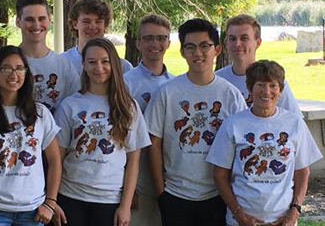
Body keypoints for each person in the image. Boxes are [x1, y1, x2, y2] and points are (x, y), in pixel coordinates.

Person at [144, 18, 247, 226]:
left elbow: (241, 145)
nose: (197, 53)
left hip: (218, 195)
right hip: (175, 195)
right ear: (182, 51)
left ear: (217, 49)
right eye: (190, 47)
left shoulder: (231, 95)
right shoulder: (166, 93)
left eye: (204, 46)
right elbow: (153, 143)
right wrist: (161, 193)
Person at [207, 60, 323, 226]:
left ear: (281, 90)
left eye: (273, 85)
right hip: (241, 221)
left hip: (283, 220)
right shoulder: (233, 124)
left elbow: (302, 172)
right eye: (260, 84)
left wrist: (294, 212)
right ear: (250, 89)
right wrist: (238, 213)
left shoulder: (294, 123)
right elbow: (219, 175)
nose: (266, 91)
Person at [54, 38, 150, 226]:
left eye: (105, 61)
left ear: (114, 63)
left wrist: (125, 205)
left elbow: (133, 162)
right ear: (83, 64)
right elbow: (57, 158)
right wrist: (52, 200)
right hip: (70, 197)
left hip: (109, 200)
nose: (99, 67)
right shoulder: (70, 105)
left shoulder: (128, 107)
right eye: (92, 62)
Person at [0, 45, 62, 226]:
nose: (13, 74)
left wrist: (50, 202)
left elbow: (55, 161)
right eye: (6, 68)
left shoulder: (40, 114)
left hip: (33, 210)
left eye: (19, 68)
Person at [123, 14, 175, 226]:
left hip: (169, 181)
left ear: (169, 43)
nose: (156, 44)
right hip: (138, 182)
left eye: (161, 38)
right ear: (139, 43)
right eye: (149, 38)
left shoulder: (175, 84)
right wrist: (128, 188)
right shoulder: (126, 84)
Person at [217, 14, 302, 116]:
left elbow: (295, 122)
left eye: (244, 38)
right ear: (226, 42)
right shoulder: (217, 80)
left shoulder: (272, 81)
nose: (237, 44)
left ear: (258, 42)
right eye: (232, 39)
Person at [15, 0, 80, 114]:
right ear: (18, 22)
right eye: (29, 19)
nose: (36, 25)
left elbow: (75, 109)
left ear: (49, 20)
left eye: (41, 19)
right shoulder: (7, 64)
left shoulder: (64, 66)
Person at [62, 0, 132, 75]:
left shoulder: (123, 67)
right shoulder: (62, 63)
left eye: (98, 21)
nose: (92, 27)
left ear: (105, 25)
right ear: (75, 24)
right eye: (86, 21)